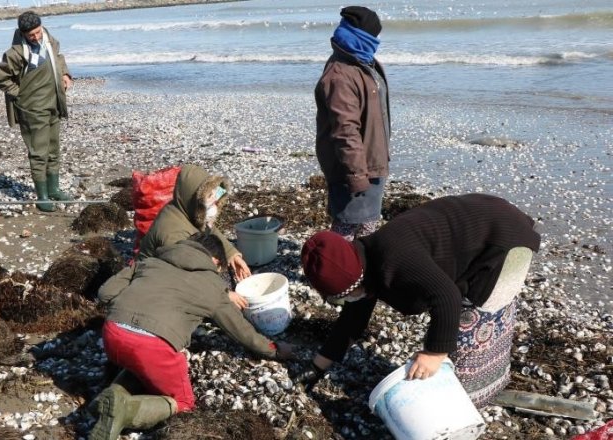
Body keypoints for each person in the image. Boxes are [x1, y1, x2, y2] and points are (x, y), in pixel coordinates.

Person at [299, 194, 540, 407]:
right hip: (478, 232)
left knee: (474, 320)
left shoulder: (395, 260)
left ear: (356, 282)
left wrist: (434, 353)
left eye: (344, 295)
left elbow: (446, 297)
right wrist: (320, 363)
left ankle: (474, 397)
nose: (346, 300)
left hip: (504, 241)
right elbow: (353, 317)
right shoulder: (364, 262)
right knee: (460, 320)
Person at [92, 232, 294, 440]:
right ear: (215, 261)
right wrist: (274, 350)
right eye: (219, 268)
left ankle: (105, 401)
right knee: (184, 403)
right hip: (153, 347)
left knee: (138, 365)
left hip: (113, 334)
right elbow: (241, 331)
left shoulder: (149, 261)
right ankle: (125, 412)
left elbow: (105, 292)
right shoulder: (212, 286)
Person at [314, 6, 390, 241]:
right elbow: (345, 130)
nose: (377, 41)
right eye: (374, 36)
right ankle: (335, 270)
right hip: (353, 167)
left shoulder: (362, 61)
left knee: (368, 225)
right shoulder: (341, 74)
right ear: (363, 36)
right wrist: (357, 176)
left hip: (370, 159)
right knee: (347, 225)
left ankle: (358, 266)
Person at [0, 11, 73, 212]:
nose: (35, 37)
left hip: (54, 104)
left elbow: (59, 56)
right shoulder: (17, 52)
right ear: (22, 33)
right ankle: (42, 196)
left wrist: (65, 74)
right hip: (32, 109)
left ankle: (54, 189)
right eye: (30, 35)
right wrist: (19, 94)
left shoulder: (48, 38)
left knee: (54, 149)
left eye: (37, 32)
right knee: (38, 153)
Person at [138, 164, 252, 308]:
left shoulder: (189, 210)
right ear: (194, 198)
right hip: (156, 282)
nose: (214, 205)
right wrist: (224, 294)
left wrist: (232, 255)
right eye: (210, 200)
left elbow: (210, 229)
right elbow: (186, 275)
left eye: (215, 199)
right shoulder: (172, 234)